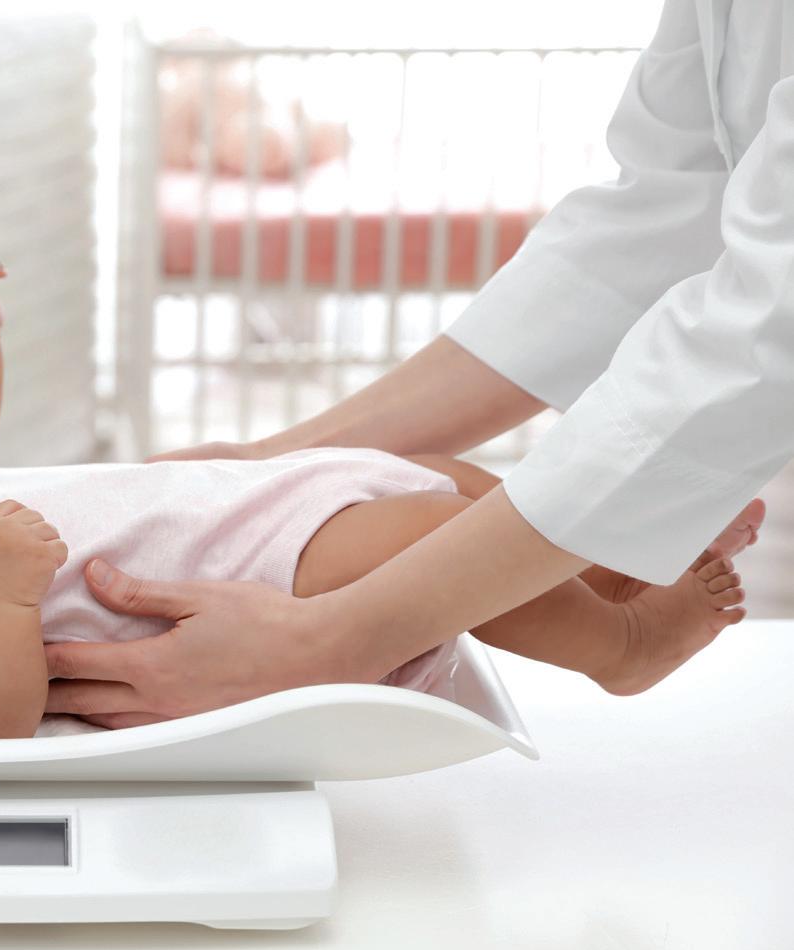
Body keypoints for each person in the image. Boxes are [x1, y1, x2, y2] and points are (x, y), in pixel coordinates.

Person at [0, 243, 751, 740]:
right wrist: (5, 602)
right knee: (438, 537)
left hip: (263, 501)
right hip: (255, 574)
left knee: (451, 485)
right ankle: (618, 643)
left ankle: (605, 564)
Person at [41, 0, 791, 728]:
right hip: (171, 534)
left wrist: (330, 638)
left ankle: (613, 615)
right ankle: (609, 601)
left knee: (426, 503)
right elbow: (663, 214)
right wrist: (270, 460)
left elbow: (768, 317)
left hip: (160, 535)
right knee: (430, 492)